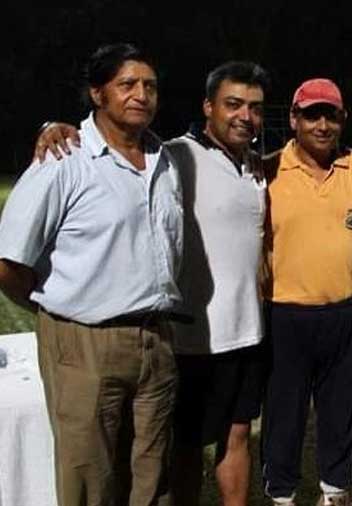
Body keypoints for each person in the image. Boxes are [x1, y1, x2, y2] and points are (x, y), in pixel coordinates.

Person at [33, 61, 272, 506]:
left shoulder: (257, 170)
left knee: (237, 435)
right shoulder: (173, 154)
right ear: (208, 106)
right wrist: (54, 126)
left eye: (255, 108)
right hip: (188, 336)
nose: (245, 116)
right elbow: (117, 140)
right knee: (177, 449)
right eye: (233, 104)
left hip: (248, 333)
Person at [0, 43, 183, 506]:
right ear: (98, 94)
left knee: (153, 475)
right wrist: (60, 309)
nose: (141, 94)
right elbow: (8, 264)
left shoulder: (165, 161)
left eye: (150, 86)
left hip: (155, 340)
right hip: (83, 342)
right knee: (89, 480)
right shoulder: (63, 161)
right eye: (127, 84)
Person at [261, 78, 352, 506]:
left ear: (342, 119)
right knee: (283, 414)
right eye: (312, 114)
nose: (322, 125)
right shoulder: (268, 170)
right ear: (294, 119)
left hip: (347, 313)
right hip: (284, 314)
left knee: (342, 410)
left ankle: (335, 490)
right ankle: (281, 493)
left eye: (331, 115)